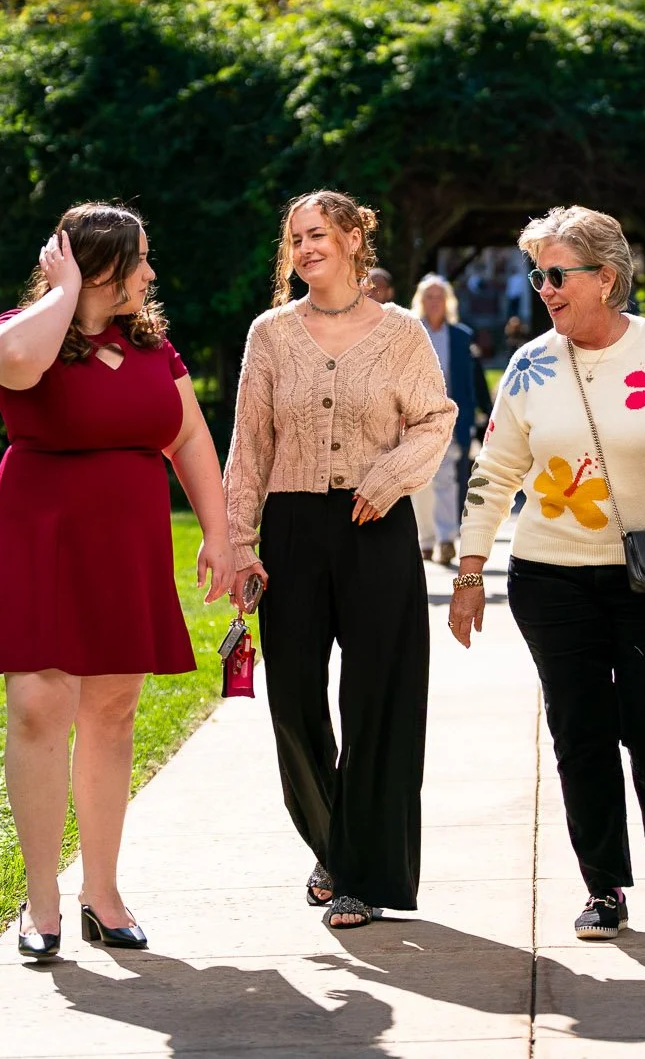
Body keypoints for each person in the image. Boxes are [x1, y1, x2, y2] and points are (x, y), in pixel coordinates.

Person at [449, 206, 645, 942]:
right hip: (551, 578)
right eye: (536, 274)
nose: (542, 288)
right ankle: (604, 884)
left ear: (605, 278)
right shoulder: (530, 364)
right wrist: (471, 568)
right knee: (580, 732)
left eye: (556, 273)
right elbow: (494, 471)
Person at [0, 203, 232, 960]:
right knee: (37, 702)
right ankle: (42, 899)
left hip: (127, 537)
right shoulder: (20, 331)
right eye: (139, 259)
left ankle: (103, 891)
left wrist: (218, 530)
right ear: (100, 269)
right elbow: (16, 366)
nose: (151, 274)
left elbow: (187, 433)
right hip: (41, 532)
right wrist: (62, 297)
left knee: (115, 706)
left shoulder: (153, 343)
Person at [224, 190, 455, 930]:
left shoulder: (401, 332)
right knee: (292, 701)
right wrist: (237, 540)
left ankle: (360, 872)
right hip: (291, 527)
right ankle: (336, 843)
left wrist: (388, 479)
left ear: (356, 239)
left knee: (378, 703)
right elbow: (249, 444)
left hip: (374, 524)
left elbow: (436, 419)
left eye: (317, 234)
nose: (304, 249)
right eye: (294, 239)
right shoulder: (269, 334)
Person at [410, 273, 486, 565]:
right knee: (421, 484)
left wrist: (473, 417)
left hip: (451, 419)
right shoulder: (412, 332)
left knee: (447, 481)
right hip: (417, 420)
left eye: (439, 296)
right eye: (428, 296)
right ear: (421, 301)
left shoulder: (460, 336)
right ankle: (425, 540)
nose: (434, 302)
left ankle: (445, 540)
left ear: (447, 302)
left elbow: (468, 383)